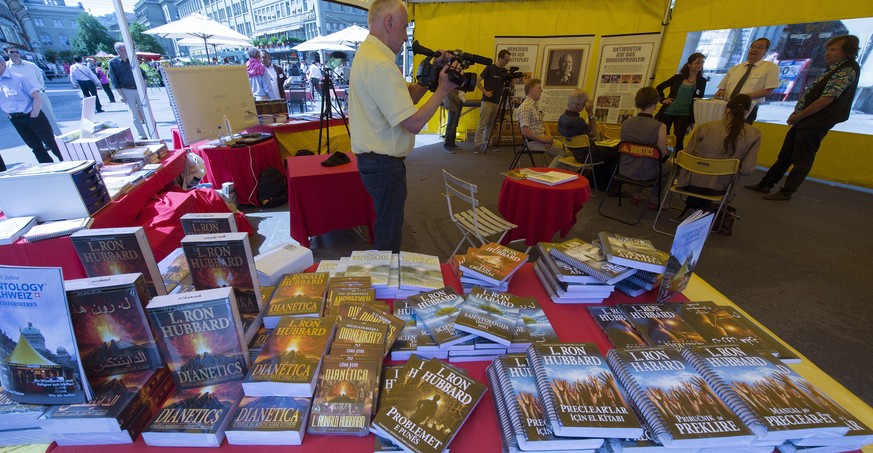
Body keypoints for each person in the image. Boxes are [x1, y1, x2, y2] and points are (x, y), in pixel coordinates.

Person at [349, 0, 459, 253]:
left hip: (376, 162)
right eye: (404, 27)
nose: (406, 37)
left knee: (388, 226)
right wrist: (443, 89)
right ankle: (385, 283)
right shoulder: (380, 65)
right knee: (388, 236)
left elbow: (404, 101)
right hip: (383, 165)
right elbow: (413, 123)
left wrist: (431, 74)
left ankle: (385, 276)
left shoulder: (370, 55)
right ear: (388, 22)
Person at [745, 35, 860, 201]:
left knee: (802, 158)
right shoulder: (834, 68)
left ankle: (787, 191)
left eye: (833, 49)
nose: (828, 53)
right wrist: (797, 114)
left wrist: (800, 116)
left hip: (815, 122)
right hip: (806, 120)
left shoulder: (846, 69)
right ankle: (767, 183)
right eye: (828, 49)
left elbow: (826, 99)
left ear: (847, 52)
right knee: (786, 154)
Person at [677, 94, 761, 209]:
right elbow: (746, 170)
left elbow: (686, 157)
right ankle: (703, 212)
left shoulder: (705, 127)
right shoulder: (754, 134)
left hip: (689, 183)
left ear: (727, 108)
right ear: (747, 111)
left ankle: (693, 207)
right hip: (720, 189)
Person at [0, 60, 63, 171]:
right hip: (15, 119)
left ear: (2, 64)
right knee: (36, 147)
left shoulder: (18, 78)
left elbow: (36, 96)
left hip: (32, 115)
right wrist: (8, 114)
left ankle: (67, 164)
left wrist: (34, 114)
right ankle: (49, 170)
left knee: (51, 143)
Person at [620, 87, 672, 205]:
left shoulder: (626, 123)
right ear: (655, 104)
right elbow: (662, 154)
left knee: (642, 158)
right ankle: (654, 199)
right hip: (646, 172)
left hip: (625, 169)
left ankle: (637, 194)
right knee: (669, 166)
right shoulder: (660, 126)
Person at [558, 88, 617, 187]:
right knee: (615, 150)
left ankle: (597, 180)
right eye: (584, 103)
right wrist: (590, 113)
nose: (585, 105)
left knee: (604, 150)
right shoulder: (577, 122)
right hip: (586, 156)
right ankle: (607, 185)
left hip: (575, 153)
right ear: (578, 105)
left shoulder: (562, 118)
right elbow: (594, 133)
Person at [714, 38, 779, 124]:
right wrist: (721, 92)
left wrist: (744, 97)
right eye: (753, 47)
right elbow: (722, 88)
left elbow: (768, 91)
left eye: (759, 47)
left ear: (765, 51)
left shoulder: (771, 67)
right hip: (727, 106)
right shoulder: (736, 68)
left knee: (739, 134)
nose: (755, 49)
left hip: (748, 107)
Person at [655, 52, 706, 151]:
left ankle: (678, 164)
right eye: (696, 63)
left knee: (679, 140)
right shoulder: (678, 78)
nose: (699, 65)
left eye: (701, 63)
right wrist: (663, 100)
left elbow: (698, 101)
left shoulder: (702, 81)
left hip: (684, 114)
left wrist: (692, 120)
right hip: (668, 111)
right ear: (689, 64)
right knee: (662, 138)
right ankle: (662, 159)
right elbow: (659, 88)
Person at [5, 47, 61, 136]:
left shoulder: (30, 65)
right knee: (35, 121)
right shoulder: (6, 68)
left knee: (50, 117)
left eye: (17, 51)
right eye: (12, 52)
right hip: (23, 99)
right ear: (7, 53)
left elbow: (40, 78)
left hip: (39, 94)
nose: (15, 53)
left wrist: (38, 90)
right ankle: (47, 140)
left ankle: (60, 138)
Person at [517, 78, 563, 167]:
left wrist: (548, 137)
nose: (541, 90)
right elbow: (525, 131)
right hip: (533, 142)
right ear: (531, 90)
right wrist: (543, 139)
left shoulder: (535, 105)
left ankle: (554, 171)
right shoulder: (525, 107)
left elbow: (543, 123)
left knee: (562, 152)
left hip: (539, 140)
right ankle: (550, 174)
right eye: (539, 88)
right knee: (565, 150)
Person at [472, 49, 510, 154]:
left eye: (508, 60)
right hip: (487, 101)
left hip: (497, 101)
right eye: (506, 60)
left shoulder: (504, 71)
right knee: (482, 124)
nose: (507, 62)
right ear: (501, 58)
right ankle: (477, 145)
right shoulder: (489, 68)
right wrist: (485, 92)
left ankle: (487, 143)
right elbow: (477, 80)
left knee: (491, 124)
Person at [109, 43, 148, 139]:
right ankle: (142, 135)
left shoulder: (132, 60)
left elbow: (143, 74)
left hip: (138, 89)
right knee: (134, 114)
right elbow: (114, 80)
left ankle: (151, 131)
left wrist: (144, 87)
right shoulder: (113, 62)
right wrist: (120, 95)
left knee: (145, 112)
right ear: (119, 51)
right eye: (125, 49)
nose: (127, 51)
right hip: (126, 90)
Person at [442, 88, 462, 153]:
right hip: (452, 103)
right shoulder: (449, 78)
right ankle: (447, 145)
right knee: (451, 125)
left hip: (458, 103)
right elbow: (448, 89)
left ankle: (452, 144)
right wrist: (458, 99)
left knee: (455, 124)